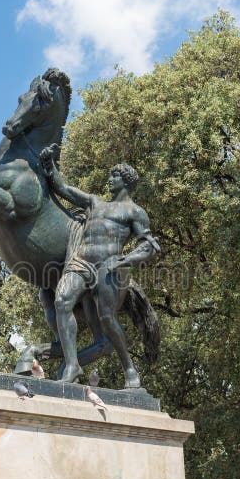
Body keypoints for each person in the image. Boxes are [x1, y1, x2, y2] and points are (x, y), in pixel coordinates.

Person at [40, 146, 160, 388]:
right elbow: (63, 189)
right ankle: (72, 366)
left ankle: (129, 369)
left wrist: (125, 261)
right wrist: (49, 164)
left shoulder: (135, 212)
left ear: (126, 181)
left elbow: (150, 247)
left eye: (114, 176)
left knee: (107, 318)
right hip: (81, 261)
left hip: (109, 267)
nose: (109, 179)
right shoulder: (95, 202)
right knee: (62, 301)